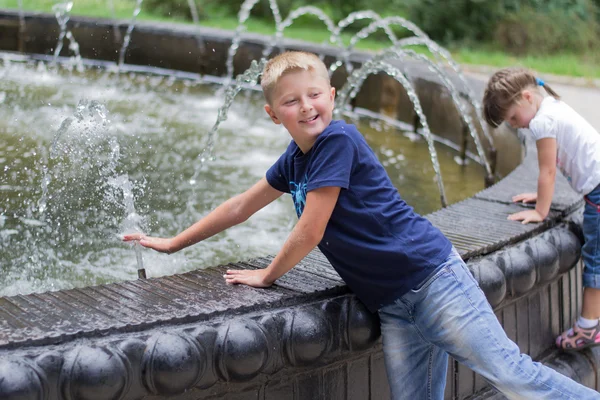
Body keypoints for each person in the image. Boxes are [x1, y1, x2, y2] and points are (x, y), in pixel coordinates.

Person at [124, 52, 600, 399]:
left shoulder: (338, 140)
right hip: (394, 305)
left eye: (315, 95)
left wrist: (268, 276)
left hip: (434, 281)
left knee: (512, 373)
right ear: (273, 114)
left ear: (331, 96)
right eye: (292, 102)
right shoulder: (295, 159)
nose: (307, 107)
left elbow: (311, 230)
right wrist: (173, 243)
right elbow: (239, 206)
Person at [483, 67, 600, 353]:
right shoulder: (553, 106)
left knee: (595, 260)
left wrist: (541, 212)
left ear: (525, 97)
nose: (515, 125)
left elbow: (548, 170)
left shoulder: (541, 122)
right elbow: (562, 161)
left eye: (512, 117)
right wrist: (539, 195)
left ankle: (588, 328)